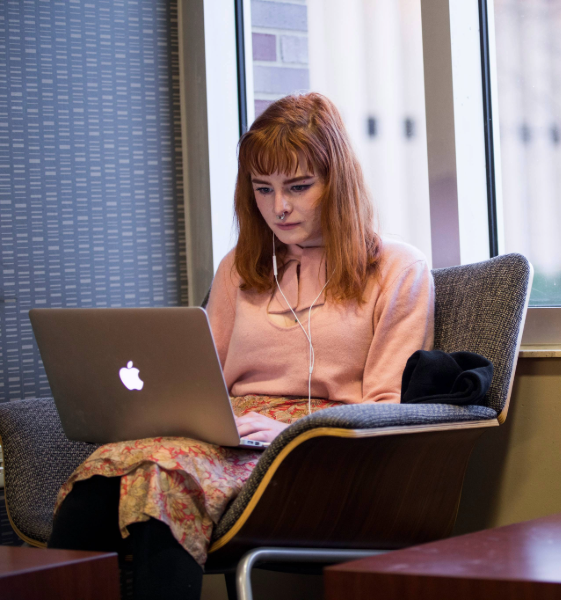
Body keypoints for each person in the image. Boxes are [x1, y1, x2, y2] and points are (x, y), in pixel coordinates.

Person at [48, 92, 435, 600]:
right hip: (228, 433)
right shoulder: (241, 266)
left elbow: (387, 408)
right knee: (107, 470)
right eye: (263, 188)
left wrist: (290, 427)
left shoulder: (397, 269)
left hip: (312, 447)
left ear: (337, 183)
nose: (280, 207)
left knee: (163, 475)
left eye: (299, 187)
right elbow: (201, 378)